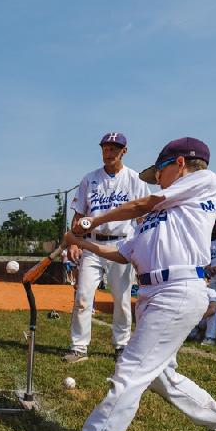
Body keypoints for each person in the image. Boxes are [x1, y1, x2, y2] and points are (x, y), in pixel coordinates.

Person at [44, 137, 216, 431]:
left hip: (177, 288)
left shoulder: (203, 181)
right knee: (159, 375)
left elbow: (146, 200)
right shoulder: (160, 215)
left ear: (181, 163)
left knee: (130, 372)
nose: (157, 178)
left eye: (160, 170)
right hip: (154, 292)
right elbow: (122, 253)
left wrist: (93, 221)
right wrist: (80, 242)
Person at [63, 132, 151, 363]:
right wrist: (74, 242)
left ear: (124, 151)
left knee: (121, 299)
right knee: (83, 297)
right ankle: (79, 347)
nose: (109, 152)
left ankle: (121, 346)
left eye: (114, 148)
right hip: (91, 244)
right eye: (105, 148)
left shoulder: (136, 179)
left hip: (122, 244)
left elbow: (142, 217)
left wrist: (143, 247)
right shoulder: (89, 179)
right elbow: (79, 215)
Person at [188, 277, 216, 346]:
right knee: (190, 337)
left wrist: (197, 319)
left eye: (202, 279)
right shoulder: (189, 291)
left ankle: (210, 338)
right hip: (189, 322)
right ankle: (196, 333)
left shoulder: (211, 292)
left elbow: (213, 309)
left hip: (202, 320)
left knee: (215, 311)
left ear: (208, 282)